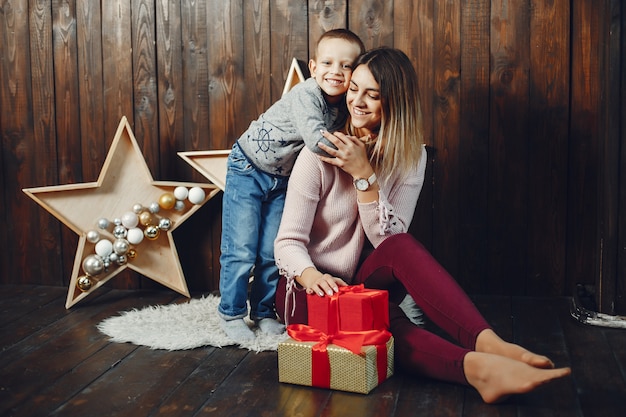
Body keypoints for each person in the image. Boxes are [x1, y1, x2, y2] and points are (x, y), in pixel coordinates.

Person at [274, 47, 571, 403]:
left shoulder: (410, 157)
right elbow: (287, 243)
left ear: (394, 102)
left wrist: (364, 177)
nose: (357, 101)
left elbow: (390, 244)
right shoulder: (316, 154)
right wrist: (313, 278)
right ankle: (479, 370)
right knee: (386, 326)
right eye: (354, 88)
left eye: (373, 95)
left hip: (366, 284)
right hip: (310, 291)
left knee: (400, 248)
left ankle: (488, 343)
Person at [218, 29, 366, 342]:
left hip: (283, 178)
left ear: (357, 71)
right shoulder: (306, 95)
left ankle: (262, 311)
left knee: (273, 250)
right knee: (241, 249)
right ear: (313, 68)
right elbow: (315, 141)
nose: (335, 71)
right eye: (327, 62)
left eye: (346, 65)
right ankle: (231, 313)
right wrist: (359, 153)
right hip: (249, 168)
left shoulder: (345, 106)